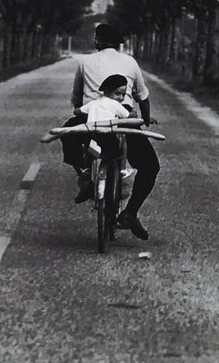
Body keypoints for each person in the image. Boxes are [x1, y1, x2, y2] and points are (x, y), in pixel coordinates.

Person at [60, 23, 160, 240]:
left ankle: (85, 173)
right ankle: (130, 213)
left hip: (91, 119)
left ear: (97, 41)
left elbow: (76, 97)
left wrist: (82, 111)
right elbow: (143, 96)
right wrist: (144, 119)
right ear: (118, 44)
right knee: (150, 166)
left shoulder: (85, 62)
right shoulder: (130, 62)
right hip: (121, 122)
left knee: (68, 137)